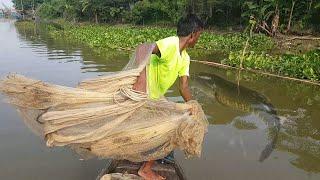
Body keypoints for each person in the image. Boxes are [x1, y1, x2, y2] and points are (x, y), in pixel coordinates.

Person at [133, 14, 204, 180]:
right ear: (193, 34)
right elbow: (143, 49)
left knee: (178, 122)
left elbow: (184, 86)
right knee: (172, 130)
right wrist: (142, 81)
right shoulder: (171, 43)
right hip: (144, 96)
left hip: (156, 99)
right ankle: (146, 169)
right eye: (200, 36)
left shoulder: (185, 58)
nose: (199, 40)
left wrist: (194, 107)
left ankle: (154, 156)